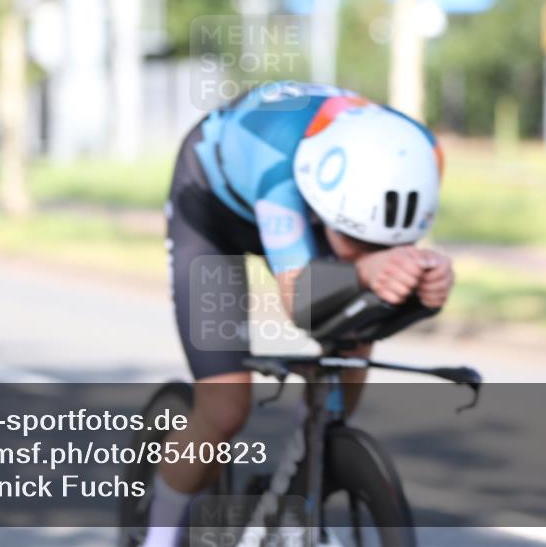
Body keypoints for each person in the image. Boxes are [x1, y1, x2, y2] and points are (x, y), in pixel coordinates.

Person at [145, 81, 454, 546]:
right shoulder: (279, 172)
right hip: (211, 210)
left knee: (352, 343)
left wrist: (425, 284)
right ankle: (158, 535)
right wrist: (369, 270)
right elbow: (301, 305)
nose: (375, 251)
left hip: (310, 205)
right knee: (225, 407)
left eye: (388, 243)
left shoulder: (419, 152)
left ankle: (303, 466)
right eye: (361, 240)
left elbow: (378, 267)